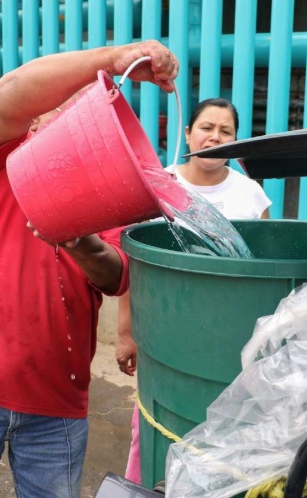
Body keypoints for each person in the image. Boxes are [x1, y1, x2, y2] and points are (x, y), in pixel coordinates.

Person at [0, 41, 178, 497]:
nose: (78, 129)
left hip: (58, 395)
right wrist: (113, 60)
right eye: (65, 113)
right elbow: (3, 97)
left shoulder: (107, 194)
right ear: (35, 120)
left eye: (87, 118)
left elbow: (115, 276)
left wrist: (77, 241)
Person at [116, 97, 272, 484]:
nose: (214, 138)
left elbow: (260, 267)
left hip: (231, 340)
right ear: (188, 133)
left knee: (225, 436)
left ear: (235, 141)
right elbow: (133, 265)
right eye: (206, 128)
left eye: (225, 132)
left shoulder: (251, 194)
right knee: (154, 423)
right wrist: (125, 334)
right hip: (165, 331)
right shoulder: (160, 187)